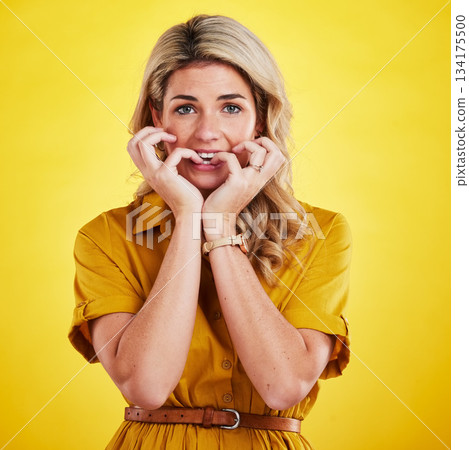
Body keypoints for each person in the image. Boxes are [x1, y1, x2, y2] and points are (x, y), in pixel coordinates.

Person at [69, 14, 352, 450]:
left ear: (260, 120)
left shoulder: (321, 233)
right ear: (156, 119)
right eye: (185, 108)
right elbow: (145, 387)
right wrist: (187, 215)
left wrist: (218, 225)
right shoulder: (104, 238)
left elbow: (283, 385)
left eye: (231, 107)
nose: (206, 133)